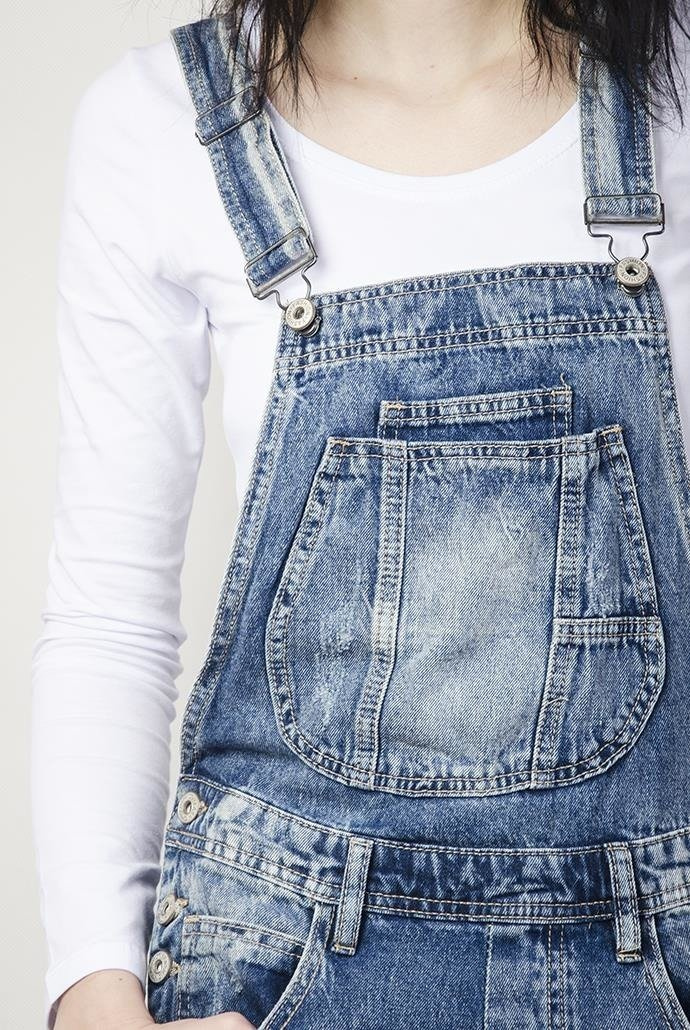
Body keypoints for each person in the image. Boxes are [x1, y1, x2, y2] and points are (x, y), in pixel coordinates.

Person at [31, 1, 690, 1028]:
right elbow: (109, 622)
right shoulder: (160, 125)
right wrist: (93, 996)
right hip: (282, 960)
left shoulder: (675, 90)